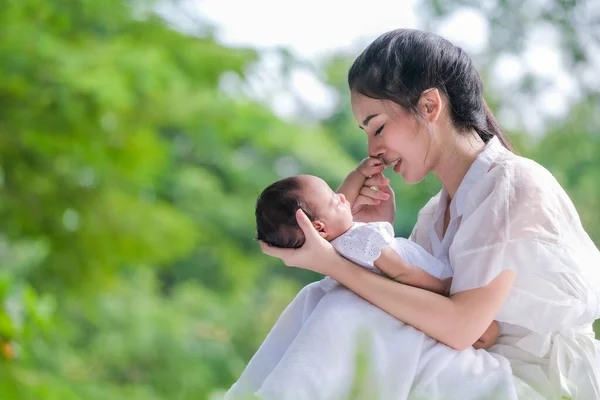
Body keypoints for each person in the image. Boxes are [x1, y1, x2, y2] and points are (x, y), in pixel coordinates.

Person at [255, 29, 600, 399]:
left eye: (379, 127)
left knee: (344, 309)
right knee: (323, 299)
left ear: (430, 106)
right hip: (473, 370)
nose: (374, 150)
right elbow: (409, 309)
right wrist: (371, 233)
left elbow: (460, 327)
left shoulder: (512, 183)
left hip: (535, 382)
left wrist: (334, 263)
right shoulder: (436, 212)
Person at [255, 170, 500, 347]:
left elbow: (341, 202)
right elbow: (403, 272)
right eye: (334, 199)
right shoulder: (360, 240)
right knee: (489, 330)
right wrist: (447, 288)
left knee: (484, 332)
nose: (343, 197)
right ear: (319, 228)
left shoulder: (337, 248)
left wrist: (359, 173)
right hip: (426, 285)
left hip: (403, 296)